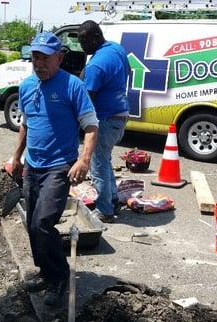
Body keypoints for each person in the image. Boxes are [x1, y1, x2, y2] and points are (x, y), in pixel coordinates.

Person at [10, 32, 99, 306]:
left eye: (45, 58)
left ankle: (59, 277)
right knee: (32, 223)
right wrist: (16, 158)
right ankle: (46, 272)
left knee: (43, 223)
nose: (39, 63)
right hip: (32, 166)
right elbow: (25, 125)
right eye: (35, 57)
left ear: (59, 58)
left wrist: (83, 160)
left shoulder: (73, 86)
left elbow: (92, 126)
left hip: (59, 167)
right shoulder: (26, 87)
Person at [78, 20, 131, 223]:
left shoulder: (96, 65)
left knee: (97, 164)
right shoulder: (116, 49)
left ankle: (105, 210)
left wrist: (78, 128)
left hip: (106, 119)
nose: (82, 46)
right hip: (121, 114)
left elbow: (86, 101)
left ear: (96, 37)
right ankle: (113, 198)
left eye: (85, 41)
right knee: (105, 159)